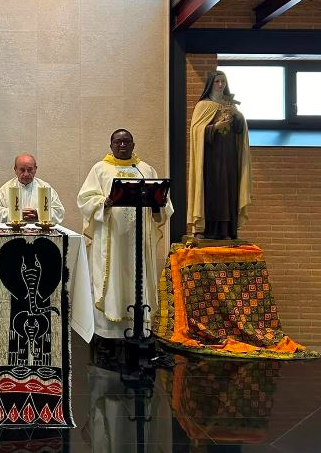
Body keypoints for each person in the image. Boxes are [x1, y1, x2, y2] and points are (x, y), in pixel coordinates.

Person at [77, 129, 173, 350]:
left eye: (126, 141)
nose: (122, 145)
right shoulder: (100, 169)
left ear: (133, 144)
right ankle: (108, 333)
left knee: (138, 278)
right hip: (112, 238)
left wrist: (158, 204)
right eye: (118, 142)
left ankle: (140, 328)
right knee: (113, 280)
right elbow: (85, 199)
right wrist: (106, 201)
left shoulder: (145, 169)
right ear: (110, 145)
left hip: (140, 238)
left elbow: (164, 201)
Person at [187, 70, 251, 240]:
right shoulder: (203, 105)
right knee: (211, 192)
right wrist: (216, 126)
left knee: (228, 192)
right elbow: (197, 132)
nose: (221, 85)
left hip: (229, 156)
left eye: (223, 81)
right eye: (217, 81)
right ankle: (203, 229)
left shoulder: (231, 105)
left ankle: (227, 231)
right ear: (211, 84)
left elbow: (239, 130)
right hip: (210, 160)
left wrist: (237, 116)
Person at [0, 154, 65, 224]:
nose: (26, 174)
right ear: (15, 170)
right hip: (14, 234)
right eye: (22, 170)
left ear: (35, 169)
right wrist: (17, 214)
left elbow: (59, 212)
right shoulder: (5, 189)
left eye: (30, 169)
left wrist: (38, 214)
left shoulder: (45, 188)